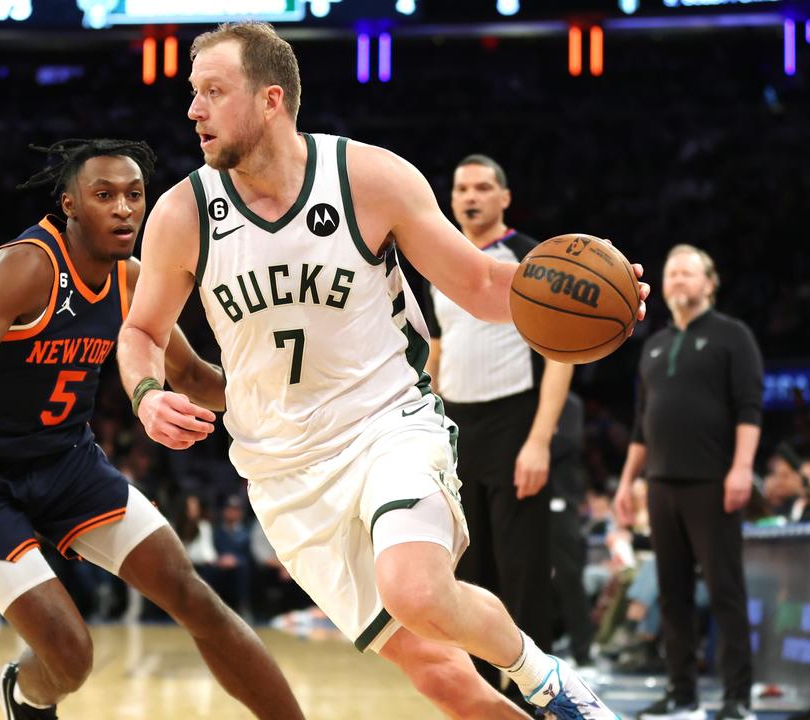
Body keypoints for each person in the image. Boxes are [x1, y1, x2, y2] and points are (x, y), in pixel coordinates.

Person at [117, 21, 648, 720]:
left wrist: (580, 292)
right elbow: (142, 333)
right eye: (194, 94)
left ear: (271, 100)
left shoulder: (368, 178)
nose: (193, 110)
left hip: (387, 426)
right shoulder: (184, 214)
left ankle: (546, 678)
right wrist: (147, 393)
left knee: (418, 589)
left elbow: (483, 287)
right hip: (283, 473)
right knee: (440, 676)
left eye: (213, 91)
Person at [0, 137, 303, 720]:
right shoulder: (25, 268)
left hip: (68, 463)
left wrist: (289, 396)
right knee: (71, 655)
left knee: (196, 598)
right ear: (70, 205)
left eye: (134, 195)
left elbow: (195, 377)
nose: (123, 208)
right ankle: (23, 691)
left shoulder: (131, 280)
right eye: (104, 195)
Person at [427, 154, 588, 697]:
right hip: (456, 430)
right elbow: (436, 351)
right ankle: (478, 702)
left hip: (516, 421)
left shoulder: (531, 258)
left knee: (524, 577)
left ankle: (535, 701)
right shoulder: (440, 259)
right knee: (466, 578)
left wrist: (540, 440)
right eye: (461, 188)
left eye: (482, 187)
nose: (470, 197)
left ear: (504, 198)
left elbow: (561, 356)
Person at [614, 244, 762, 720]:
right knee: (671, 592)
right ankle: (682, 694)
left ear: (709, 282)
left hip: (712, 482)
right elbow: (641, 425)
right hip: (660, 484)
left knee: (725, 590)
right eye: (671, 273)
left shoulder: (732, 336)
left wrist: (741, 469)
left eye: (688, 272)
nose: (677, 279)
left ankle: (737, 697)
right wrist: (625, 484)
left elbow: (749, 409)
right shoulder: (654, 345)